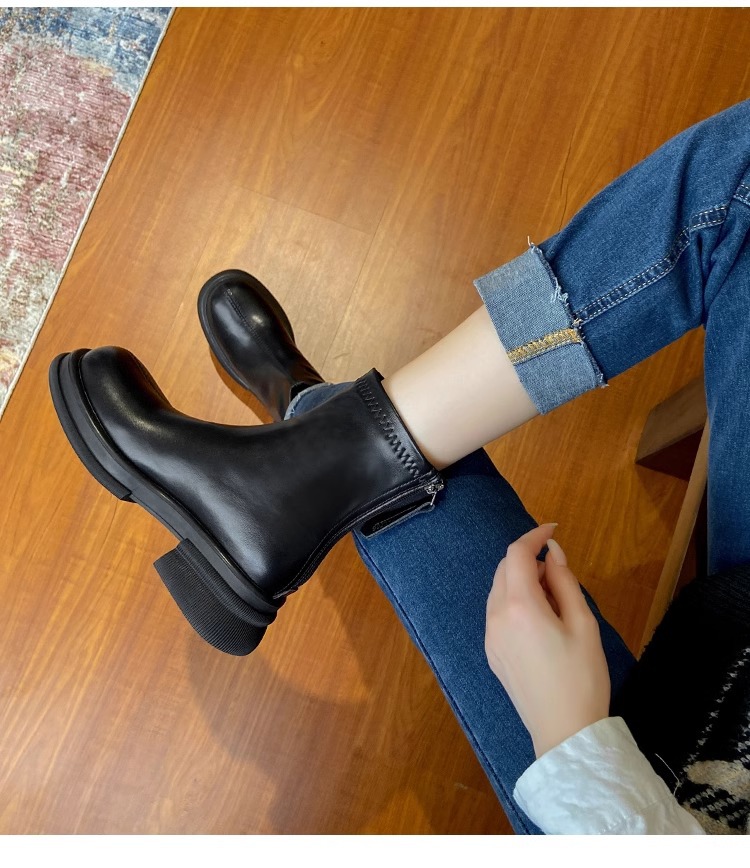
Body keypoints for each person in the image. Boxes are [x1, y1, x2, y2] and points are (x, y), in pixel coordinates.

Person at [50, 98, 750, 834]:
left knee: (424, 470)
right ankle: (300, 421)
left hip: (669, 790)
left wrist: (572, 741)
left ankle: (303, 423)